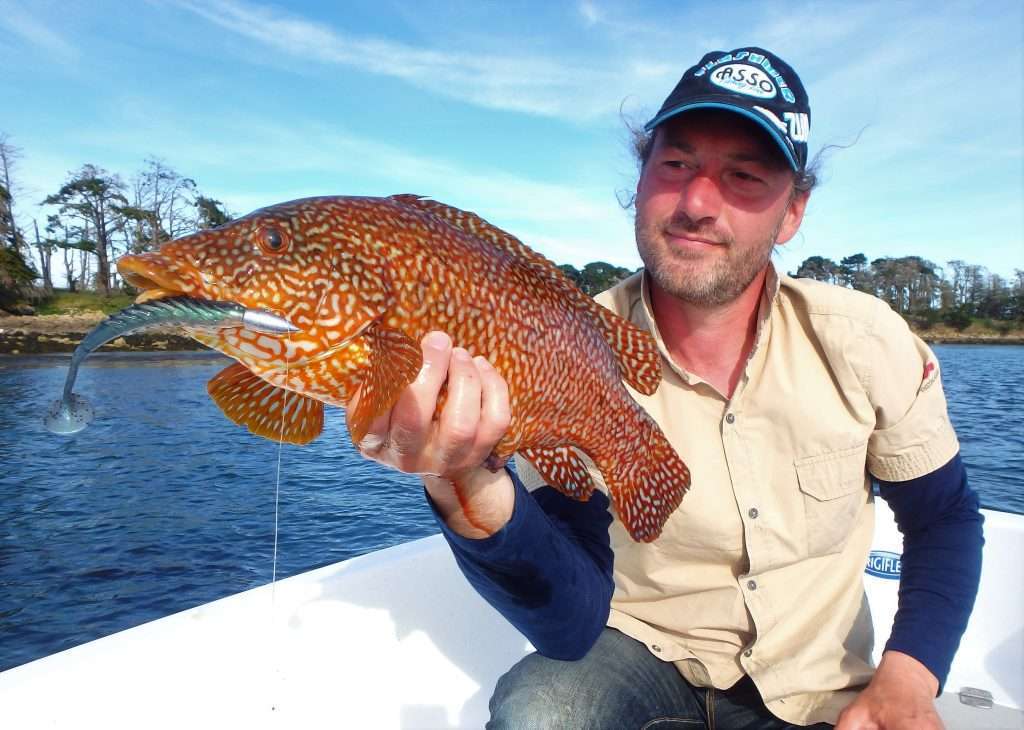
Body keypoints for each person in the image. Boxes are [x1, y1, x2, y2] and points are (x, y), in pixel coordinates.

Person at [355, 47, 983, 729]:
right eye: (676, 165)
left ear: (792, 213)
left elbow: (943, 518)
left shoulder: (865, 342)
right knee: (539, 712)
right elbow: (567, 627)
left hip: (817, 685)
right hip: (634, 654)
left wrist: (909, 678)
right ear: (643, 176)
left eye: (743, 176)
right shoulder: (555, 340)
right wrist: (465, 481)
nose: (697, 203)